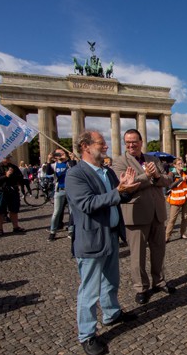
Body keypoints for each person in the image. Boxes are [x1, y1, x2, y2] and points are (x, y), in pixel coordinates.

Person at [66, 130, 140, 355]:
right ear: (86, 147)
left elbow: (117, 199)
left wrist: (127, 189)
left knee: (111, 281)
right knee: (89, 290)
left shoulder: (107, 172)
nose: (106, 146)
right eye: (101, 143)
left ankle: (111, 313)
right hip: (91, 239)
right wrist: (119, 191)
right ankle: (87, 335)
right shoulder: (75, 175)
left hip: (110, 236)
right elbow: (88, 203)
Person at [112, 129, 175, 306]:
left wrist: (156, 176)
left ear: (141, 142)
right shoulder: (119, 162)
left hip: (157, 212)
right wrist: (148, 176)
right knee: (137, 255)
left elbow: (167, 180)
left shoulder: (153, 159)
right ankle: (141, 287)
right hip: (136, 214)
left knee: (158, 251)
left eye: (134, 142)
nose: (131, 145)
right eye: (128, 142)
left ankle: (159, 281)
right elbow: (126, 186)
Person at [0, 155, 25, 236]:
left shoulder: (14, 167)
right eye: (6, 158)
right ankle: (0, 229)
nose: (8, 159)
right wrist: (5, 176)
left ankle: (16, 227)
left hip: (12, 190)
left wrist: (13, 176)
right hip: (0, 191)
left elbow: (20, 177)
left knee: (14, 210)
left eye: (9, 158)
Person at [46, 148, 76, 241]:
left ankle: (71, 230)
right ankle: (53, 231)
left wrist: (72, 159)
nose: (60, 155)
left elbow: (75, 170)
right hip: (59, 190)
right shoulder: (54, 165)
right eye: (58, 153)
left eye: (62, 153)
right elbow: (48, 172)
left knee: (72, 212)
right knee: (56, 212)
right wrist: (48, 160)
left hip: (70, 190)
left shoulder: (69, 163)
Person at [165, 157, 187, 241]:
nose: (181, 165)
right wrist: (181, 179)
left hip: (186, 198)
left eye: (182, 163)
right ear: (174, 165)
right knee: (172, 219)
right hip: (176, 199)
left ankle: (183, 233)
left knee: (185, 217)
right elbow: (169, 186)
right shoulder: (171, 174)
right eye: (179, 164)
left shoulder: (185, 172)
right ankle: (167, 236)